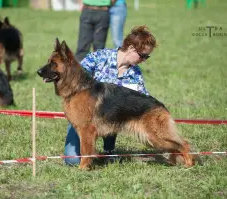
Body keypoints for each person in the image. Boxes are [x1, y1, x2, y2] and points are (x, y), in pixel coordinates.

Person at [64, 25, 157, 165]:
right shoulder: (100, 57)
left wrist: (158, 116)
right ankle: (89, 152)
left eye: (146, 57)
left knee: (114, 108)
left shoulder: (135, 74)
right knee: (72, 161)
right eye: (142, 56)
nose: (143, 60)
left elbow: (144, 101)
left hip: (110, 120)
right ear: (131, 48)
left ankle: (108, 150)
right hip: (84, 117)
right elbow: (76, 77)